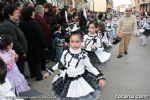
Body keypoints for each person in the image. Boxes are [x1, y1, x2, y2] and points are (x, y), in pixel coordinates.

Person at [44, 31, 106, 100]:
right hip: (67, 79)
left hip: (81, 81)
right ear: (69, 42)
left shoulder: (83, 55)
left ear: (81, 41)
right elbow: (60, 63)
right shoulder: (65, 53)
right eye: (72, 41)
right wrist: (50, 72)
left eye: (77, 41)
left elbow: (91, 68)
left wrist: (100, 77)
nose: (74, 44)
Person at [0, 4, 28, 78]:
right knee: (17, 74)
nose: (18, 14)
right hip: (16, 56)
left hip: (17, 55)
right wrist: (22, 52)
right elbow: (13, 41)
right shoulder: (8, 25)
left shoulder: (11, 23)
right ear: (10, 15)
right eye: (16, 12)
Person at [19, 7, 46, 81]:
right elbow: (40, 35)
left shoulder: (22, 23)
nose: (34, 13)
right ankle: (39, 76)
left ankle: (33, 74)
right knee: (37, 61)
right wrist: (44, 45)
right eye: (33, 12)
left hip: (27, 44)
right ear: (30, 14)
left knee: (30, 60)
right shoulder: (34, 23)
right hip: (35, 45)